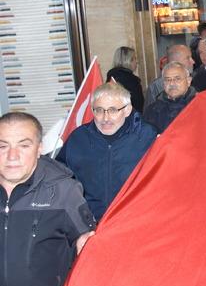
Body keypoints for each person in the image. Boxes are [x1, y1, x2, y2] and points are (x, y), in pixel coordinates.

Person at [0, 112, 96, 286]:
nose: (12, 156)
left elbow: (89, 249)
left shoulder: (64, 192)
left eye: (24, 145)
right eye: (2, 146)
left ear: (39, 149)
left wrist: (86, 245)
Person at [57, 83, 158, 220]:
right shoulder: (78, 139)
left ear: (127, 110)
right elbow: (61, 178)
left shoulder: (147, 136)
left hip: (135, 221)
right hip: (90, 224)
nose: (105, 118)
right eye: (99, 110)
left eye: (112, 110)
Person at [142, 61, 196, 134]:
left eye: (177, 79)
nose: (172, 83)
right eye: (168, 79)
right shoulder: (152, 111)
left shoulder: (200, 104)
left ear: (189, 81)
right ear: (163, 84)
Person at [144, 44, 194, 109]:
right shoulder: (155, 87)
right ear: (175, 61)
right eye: (188, 58)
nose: (193, 61)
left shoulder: (197, 80)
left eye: (178, 79)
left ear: (189, 81)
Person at [106, 46, 144, 112]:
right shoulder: (131, 81)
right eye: (134, 58)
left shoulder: (111, 78)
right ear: (128, 61)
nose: (136, 62)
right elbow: (138, 105)